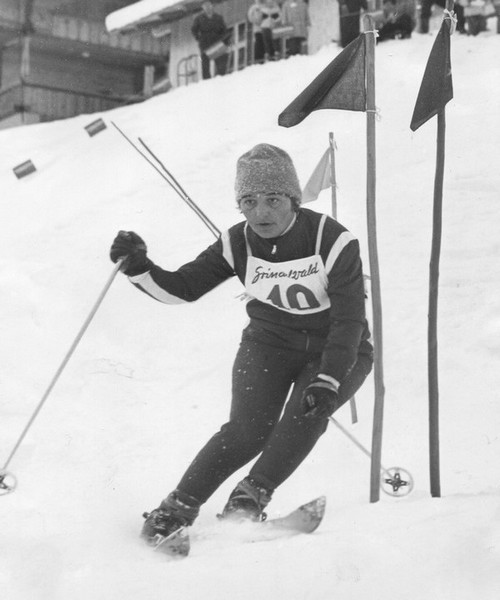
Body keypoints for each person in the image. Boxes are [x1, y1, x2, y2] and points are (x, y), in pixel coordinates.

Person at [109, 144, 373, 543]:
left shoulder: (331, 240)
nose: (261, 212)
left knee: (307, 413)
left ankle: (247, 501)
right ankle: (173, 511)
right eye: (249, 201)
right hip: (269, 344)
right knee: (247, 430)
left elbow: (349, 318)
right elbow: (184, 289)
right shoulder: (238, 242)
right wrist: (139, 268)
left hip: (337, 347)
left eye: (273, 200)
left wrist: (329, 379)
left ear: (293, 200)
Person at [191, 0, 229, 80]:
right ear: (203, 7)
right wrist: (199, 38)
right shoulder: (199, 18)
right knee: (205, 65)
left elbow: (224, 30)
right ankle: (207, 82)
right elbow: (194, 30)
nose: (207, 7)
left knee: (220, 63)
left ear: (212, 5)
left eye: (209, 4)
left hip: (216, 42)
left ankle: (221, 79)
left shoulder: (218, 17)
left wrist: (223, 40)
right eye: (205, 5)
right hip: (205, 43)